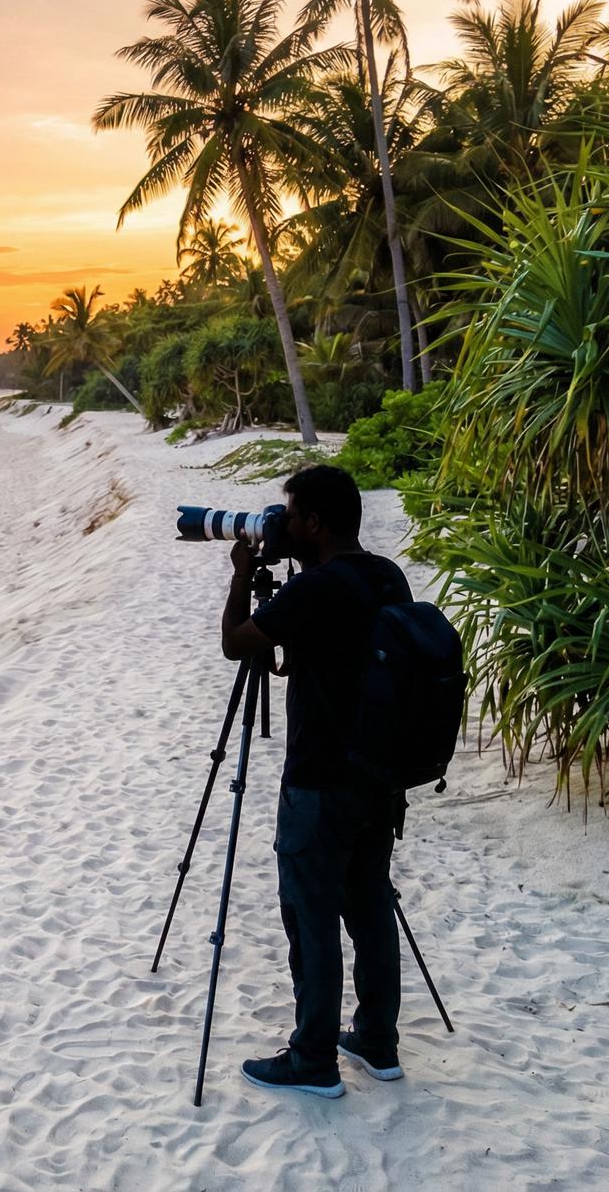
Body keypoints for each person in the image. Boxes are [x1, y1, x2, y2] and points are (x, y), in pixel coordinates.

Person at [220, 464, 410, 1099]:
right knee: (370, 907)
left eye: (292, 515)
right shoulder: (386, 576)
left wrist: (244, 579)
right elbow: (342, 650)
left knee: (312, 915)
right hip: (378, 776)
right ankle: (378, 1043)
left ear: (316, 523)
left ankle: (312, 1060)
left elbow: (235, 642)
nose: (285, 525)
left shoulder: (313, 590)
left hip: (319, 778)